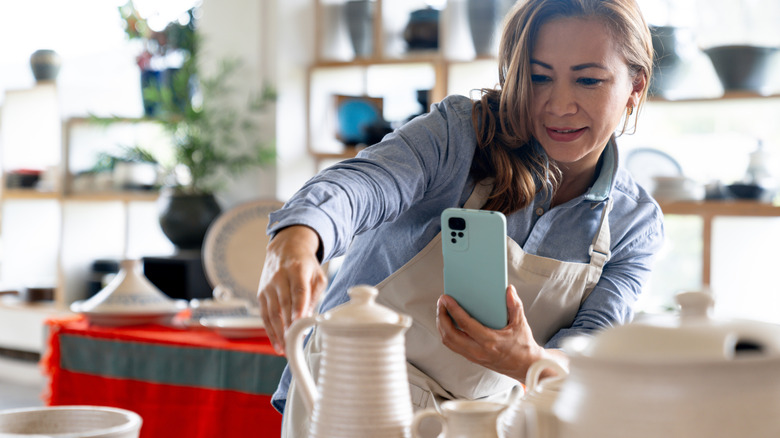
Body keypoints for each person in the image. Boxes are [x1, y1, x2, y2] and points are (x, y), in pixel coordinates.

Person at [258, 0, 664, 435]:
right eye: (538, 77)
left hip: (481, 420)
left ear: (634, 86)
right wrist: (298, 237)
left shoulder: (634, 224)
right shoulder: (461, 134)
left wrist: (525, 359)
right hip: (355, 393)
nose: (559, 104)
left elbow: (588, 358)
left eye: (588, 80)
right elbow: (364, 185)